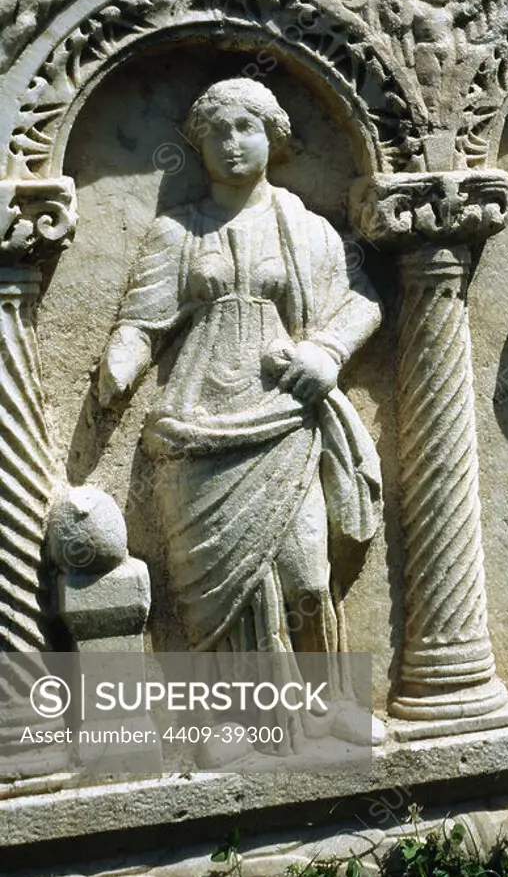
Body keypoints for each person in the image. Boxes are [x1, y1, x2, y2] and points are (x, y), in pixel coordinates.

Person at [98, 78, 383, 738]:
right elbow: (143, 321)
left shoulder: (306, 228)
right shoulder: (179, 231)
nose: (230, 144)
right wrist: (121, 360)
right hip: (198, 423)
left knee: (307, 577)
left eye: (244, 128)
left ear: (273, 137)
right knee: (215, 588)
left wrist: (327, 354)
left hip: (284, 415)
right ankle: (233, 719)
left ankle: (332, 703)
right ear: (196, 147)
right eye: (215, 133)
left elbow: (362, 301)